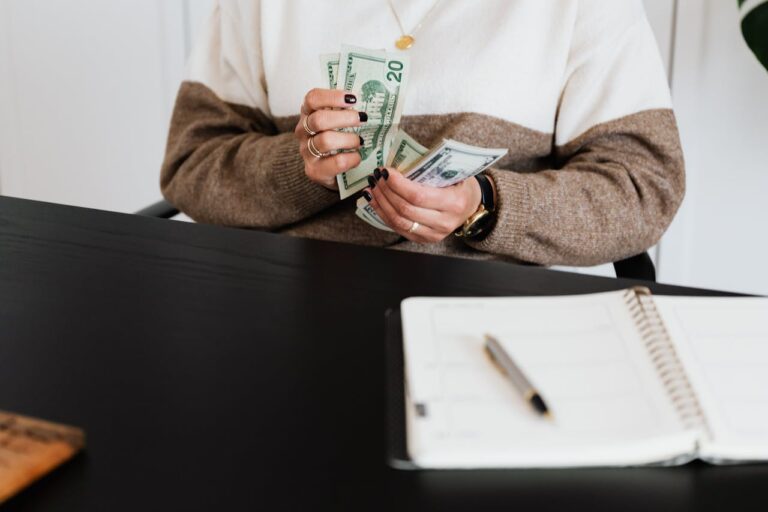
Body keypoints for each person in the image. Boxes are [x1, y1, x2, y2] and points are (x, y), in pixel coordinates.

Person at [160, 0, 684, 266]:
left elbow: (644, 186)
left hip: (491, 317)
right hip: (293, 306)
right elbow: (193, 163)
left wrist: (486, 206)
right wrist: (300, 167)